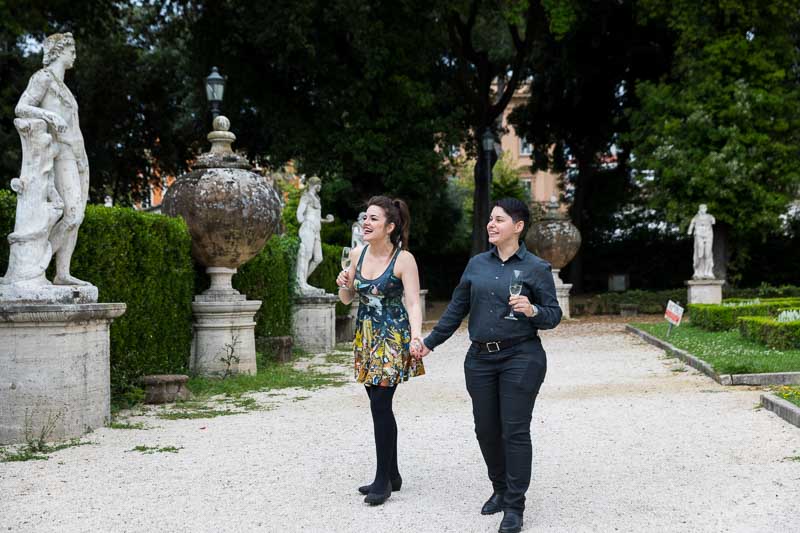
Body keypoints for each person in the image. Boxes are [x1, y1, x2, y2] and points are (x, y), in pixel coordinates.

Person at [413, 198, 562, 533]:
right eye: (490, 220)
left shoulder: (537, 268)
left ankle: (514, 507)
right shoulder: (477, 264)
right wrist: (429, 343)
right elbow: (456, 309)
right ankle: (499, 487)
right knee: (486, 430)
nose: (491, 225)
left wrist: (532, 310)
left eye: (499, 220)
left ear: (518, 226)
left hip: (521, 356)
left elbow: (553, 316)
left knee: (514, 430)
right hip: (479, 358)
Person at [336, 195, 425, 505]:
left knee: (380, 405)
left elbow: (413, 302)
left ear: (389, 226)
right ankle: (394, 473)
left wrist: (416, 337)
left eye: (374, 218)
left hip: (393, 338)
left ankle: (382, 480)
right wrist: (343, 283)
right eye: (365, 217)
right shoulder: (357, 254)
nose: (366, 222)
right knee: (378, 403)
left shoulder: (404, 260)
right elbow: (347, 299)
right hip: (366, 336)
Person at [14, 32, 89, 285]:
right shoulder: (43, 78)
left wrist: (81, 158)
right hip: (60, 155)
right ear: (59, 51)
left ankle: (63, 273)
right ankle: (37, 267)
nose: (75, 55)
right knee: (72, 214)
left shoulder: (65, 88)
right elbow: (21, 107)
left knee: (77, 218)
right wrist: (49, 117)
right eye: (71, 50)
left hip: (78, 156)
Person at [295, 176, 334, 294]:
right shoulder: (306, 196)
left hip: (316, 231)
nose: (320, 187)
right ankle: (300, 284)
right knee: (306, 254)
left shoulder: (317, 198)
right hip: (308, 228)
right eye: (320, 184)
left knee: (318, 258)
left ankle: (301, 282)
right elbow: (299, 214)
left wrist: (326, 221)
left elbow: (316, 216)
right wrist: (306, 223)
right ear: (315, 184)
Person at [688, 203, 715, 279]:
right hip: (699, 234)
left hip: (708, 235)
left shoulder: (710, 216)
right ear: (699, 209)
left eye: (704, 208)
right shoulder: (696, 217)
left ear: (706, 209)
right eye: (701, 208)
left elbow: (713, 221)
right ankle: (698, 270)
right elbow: (692, 224)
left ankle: (707, 272)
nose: (703, 209)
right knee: (700, 253)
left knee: (707, 253)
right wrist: (690, 230)